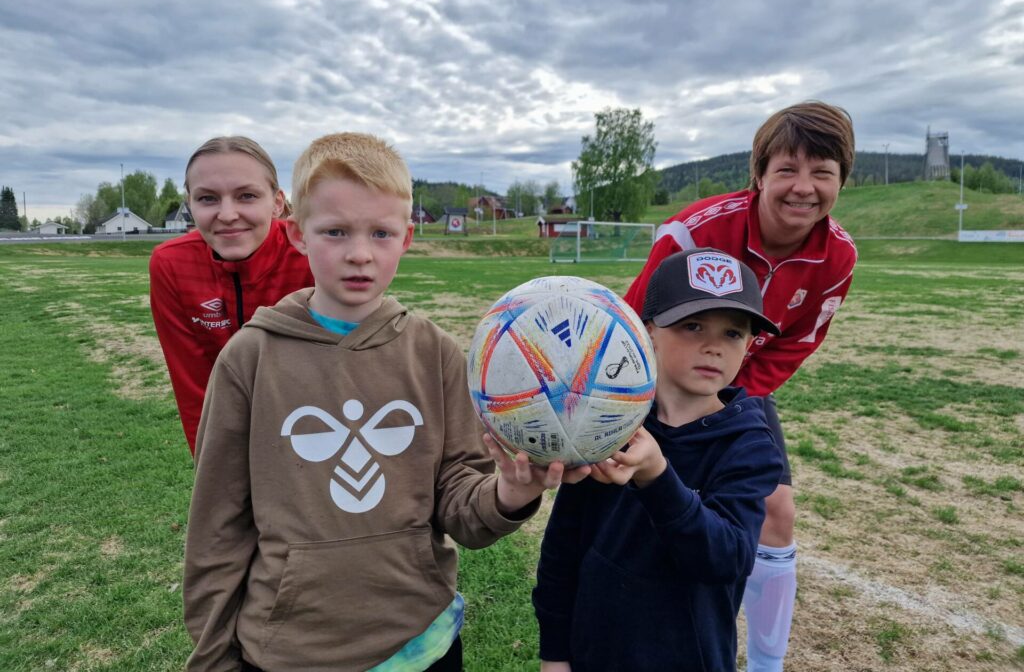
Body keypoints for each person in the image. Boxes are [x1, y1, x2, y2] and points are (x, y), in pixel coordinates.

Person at [183, 132, 587, 672]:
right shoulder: (249, 359)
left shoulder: (435, 353)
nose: (359, 253)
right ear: (297, 234)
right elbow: (217, 528)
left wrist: (509, 493)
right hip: (290, 654)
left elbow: (460, 505)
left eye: (380, 232)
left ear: (407, 237)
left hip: (421, 646)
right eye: (335, 232)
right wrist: (213, 659)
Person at [622, 101, 857, 672]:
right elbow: (635, 320)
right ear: (759, 174)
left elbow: (797, 341)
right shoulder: (696, 231)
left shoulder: (839, 257)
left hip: (737, 386)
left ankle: (767, 664)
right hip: (651, 380)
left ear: (841, 181)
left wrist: (726, 401)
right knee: (627, 495)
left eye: (822, 172)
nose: (804, 188)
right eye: (787, 170)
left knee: (776, 509)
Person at [533, 247, 785, 671]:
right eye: (692, 325)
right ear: (648, 330)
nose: (713, 347)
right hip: (594, 653)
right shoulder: (607, 422)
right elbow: (563, 548)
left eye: (733, 333)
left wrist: (658, 478)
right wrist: (555, 653)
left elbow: (729, 557)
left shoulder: (750, 444)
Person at [149, 136, 314, 454]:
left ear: (277, 202)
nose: (227, 214)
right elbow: (195, 388)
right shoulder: (171, 264)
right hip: (228, 426)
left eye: (247, 196)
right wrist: (214, 469)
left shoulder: (310, 253)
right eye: (208, 199)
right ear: (190, 204)